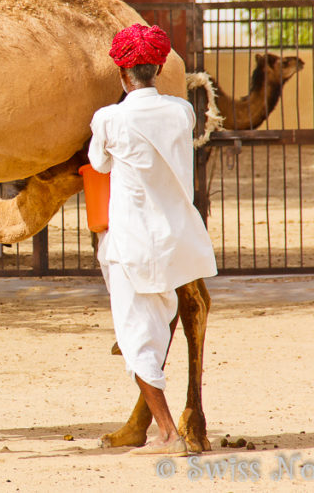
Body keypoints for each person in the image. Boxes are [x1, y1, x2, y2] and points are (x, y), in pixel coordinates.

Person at [88, 24, 217, 456]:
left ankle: (166, 433)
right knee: (158, 324)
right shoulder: (182, 111)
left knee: (137, 338)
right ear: (159, 67)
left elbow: (97, 164)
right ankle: (161, 423)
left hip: (134, 244)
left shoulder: (109, 118)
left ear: (122, 73)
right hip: (179, 241)